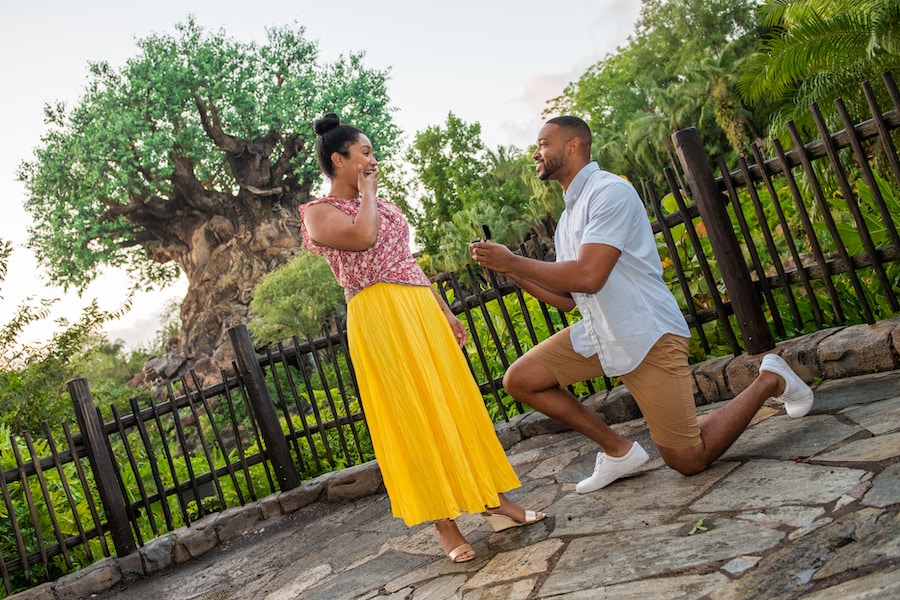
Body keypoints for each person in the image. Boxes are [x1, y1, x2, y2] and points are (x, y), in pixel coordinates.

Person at [470, 116, 814, 493]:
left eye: (543, 144)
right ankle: (619, 451)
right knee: (521, 380)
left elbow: (588, 276)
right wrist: (509, 271)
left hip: (645, 334)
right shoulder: (568, 217)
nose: (536, 153)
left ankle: (771, 378)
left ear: (573, 146)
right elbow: (570, 301)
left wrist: (514, 261)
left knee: (688, 459)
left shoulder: (609, 192)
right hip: (600, 334)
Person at [299, 113, 544, 563]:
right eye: (365, 153)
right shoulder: (319, 213)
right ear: (339, 159)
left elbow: (406, 262)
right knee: (411, 414)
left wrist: (445, 311)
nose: (374, 160)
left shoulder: (382, 202)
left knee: (455, 401)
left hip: (418, 309)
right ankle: (444, 525)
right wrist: (368, 194)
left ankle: (494, 501)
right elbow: (363, 237)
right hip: (378, 317)